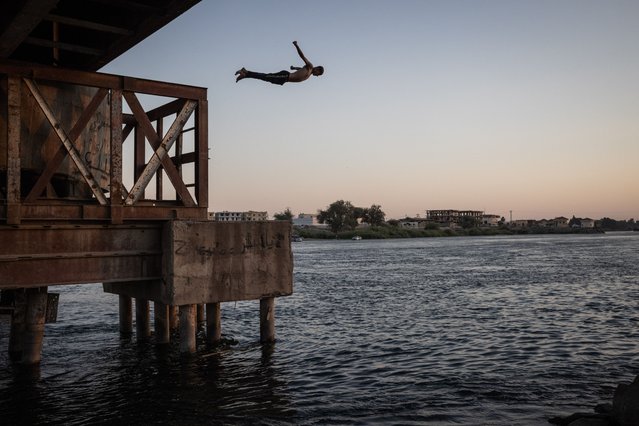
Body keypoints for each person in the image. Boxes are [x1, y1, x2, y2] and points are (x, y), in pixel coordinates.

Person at [235, 41, 324, 85]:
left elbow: (300, 69)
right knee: (266, 76)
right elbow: (302, 56)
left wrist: (294, 68)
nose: (316, 76)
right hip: (285, 76)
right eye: (318, 74)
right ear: (317, 69)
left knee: (266, 78)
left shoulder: (308, 71)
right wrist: (296, 45)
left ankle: (246, 74)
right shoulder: (310, 66)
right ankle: (246, 72)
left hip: (284, 80)